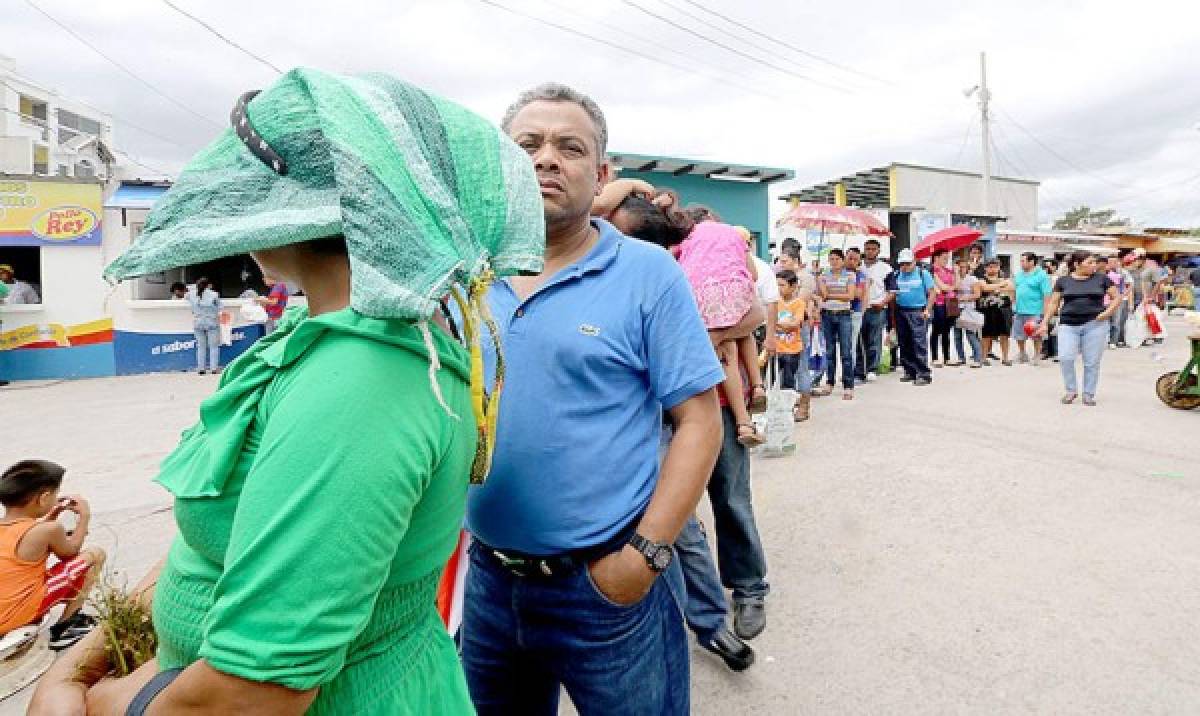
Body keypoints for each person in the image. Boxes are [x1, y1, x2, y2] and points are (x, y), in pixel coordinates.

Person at [31, 69, 544, 715]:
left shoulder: (360, 382)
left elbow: (255, 691)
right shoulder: (318, 338)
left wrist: (82, 698)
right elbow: (219, 537)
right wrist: (89, 659)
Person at [460, 83, 724, 716]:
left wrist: (646, 555)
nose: (547, 159)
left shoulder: (646, 273)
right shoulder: (469, 274)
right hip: (491, 584)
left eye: (569, 147)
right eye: (528, 145)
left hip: (608, 591)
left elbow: (699, 421)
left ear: (601, 173)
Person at [676, 221, 769, 445]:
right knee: (739, 332)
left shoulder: (685, 238)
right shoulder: (734, 234)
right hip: (736, 288)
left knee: (727, 349)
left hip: (698, 291)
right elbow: (753, 275)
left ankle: (743, 422)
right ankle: (757, 387)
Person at [0, 460, 105, 651]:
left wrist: (51, 515)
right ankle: (66, 626)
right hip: (17, 614)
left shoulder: (17, 528)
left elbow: (29, 539)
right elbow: (70, 553)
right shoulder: (49, 530)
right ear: (44, 498)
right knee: (95, 555)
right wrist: (84, 517)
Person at [1038, 251, 1120, 406]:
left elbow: (1117, 297)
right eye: (1089, 262)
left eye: (1094, 262)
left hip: (1095, 325)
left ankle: (1088, 393)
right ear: (1076, 264)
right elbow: (1054, 303)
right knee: (1065, 357)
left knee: (1091, 362)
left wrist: (1108, 312)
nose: (1093, 265)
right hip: (1068, 324)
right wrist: (1045, 322)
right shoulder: (1063, 281)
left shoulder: (1102, 279)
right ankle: (1071, 390)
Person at [815, 248, 862, 399]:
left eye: (837, 259)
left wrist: (831, 295)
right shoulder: (823, 275)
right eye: (831, 259)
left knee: (846, 351)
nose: (834, 262)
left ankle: (848, 386)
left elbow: (850, 296)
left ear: (842, 260)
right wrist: (820, 281)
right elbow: (822, 294)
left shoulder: (850, 275)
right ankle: (829, 382)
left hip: (844, 315)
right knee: (829, 351)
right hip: (827, 315)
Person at [886, 248, 934, 385]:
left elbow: (932, 293)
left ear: (914, 261)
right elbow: (893, 294)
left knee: (919, 343)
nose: (905, 267)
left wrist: (927, 310)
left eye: (907, 263)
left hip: (918, 311)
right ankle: (910, 371)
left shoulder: (922, 273)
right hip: (901, 311)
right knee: (904, 342)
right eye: (902, 264)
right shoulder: (896, 275)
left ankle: (923, 374)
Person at [775, 269, 809, 420]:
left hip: (792, 349)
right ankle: (778, 409)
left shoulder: (799, 304)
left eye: (782, 285)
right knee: (774, 380)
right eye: (777, 285)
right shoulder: (775, 302)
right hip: (776, 348)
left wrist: (777, 324)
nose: (779, 289)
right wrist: (782, 324)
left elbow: (795, 324)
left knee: (789, 380)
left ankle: (788, 410)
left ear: (793, 286)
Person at [860, 239, 892, 381]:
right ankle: (859, 369)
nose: (870, 251)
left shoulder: (885, 268)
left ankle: (872, 369)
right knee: (859, 340)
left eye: (873, 249)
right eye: (868, 248)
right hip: (859, 308)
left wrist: (882, 303)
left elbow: (892, 290)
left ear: (878, 251)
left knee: (874, 339)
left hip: (877, 308)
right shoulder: (858, 266)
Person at [1012, 252, 1052, 365]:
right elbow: (1015, 290)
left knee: (1036, 335)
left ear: (1032, 262)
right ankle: (1022, 353)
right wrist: (1013, 303)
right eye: (1021, 261)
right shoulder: (1019, 274)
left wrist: (1045, 312)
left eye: (1023, 261)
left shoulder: (1041, 275)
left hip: (1035, 310)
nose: (1021, 263)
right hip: (1019, 310)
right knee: (1018, 334)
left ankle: (1037, 355)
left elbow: (1047, 295)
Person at [928, 248, 958, 368]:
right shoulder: (932, 271)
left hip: (950, 303)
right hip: (938, 303)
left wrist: (956, 273)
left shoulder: (948, 271)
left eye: (948, 258)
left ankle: (947, 357)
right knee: (936, 330)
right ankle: (935, 357)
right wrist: (950, 287)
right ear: (936, 258)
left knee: (946, 331)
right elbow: (943, 287)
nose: (947, 260)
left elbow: (957, 285)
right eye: (944, 258)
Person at [185, 277, 222, 375]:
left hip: (198, 322)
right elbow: (220, 307)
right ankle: (214, 368)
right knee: (213, 346)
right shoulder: (214, 294)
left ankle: (201, 368)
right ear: (208, 285)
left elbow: (186, 295)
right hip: (211, 322)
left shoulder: (191, 294)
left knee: (201, 346)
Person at [952, 258, 984, 368]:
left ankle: (977, 358)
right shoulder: (953, 278)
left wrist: (965, 298)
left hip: (968, 309)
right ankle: (961, 358)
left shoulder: (972, 279)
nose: (961, 269)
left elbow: (977, 294)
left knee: (971, 335)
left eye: (963, 267)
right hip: (955, 309)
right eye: (959, 266)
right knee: (957, 335)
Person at [845, 247, 868, 383]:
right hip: (835, 313)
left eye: (855, 260)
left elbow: (857, 294)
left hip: (854, 313)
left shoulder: (861, 276)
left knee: (851, 345)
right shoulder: (836, 273)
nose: (852, 261)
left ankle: (850, 375)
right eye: (850, 258)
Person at [1104, 256, 1131, 348]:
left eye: (1114, 262)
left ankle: (1113, 341)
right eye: (1110, 262)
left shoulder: (1122, 273)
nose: (1112, 264)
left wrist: (1123, 295)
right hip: (1105, 300)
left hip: (1118, 300)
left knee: (1116, 321)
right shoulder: (1103, 273)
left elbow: (1129, 286)